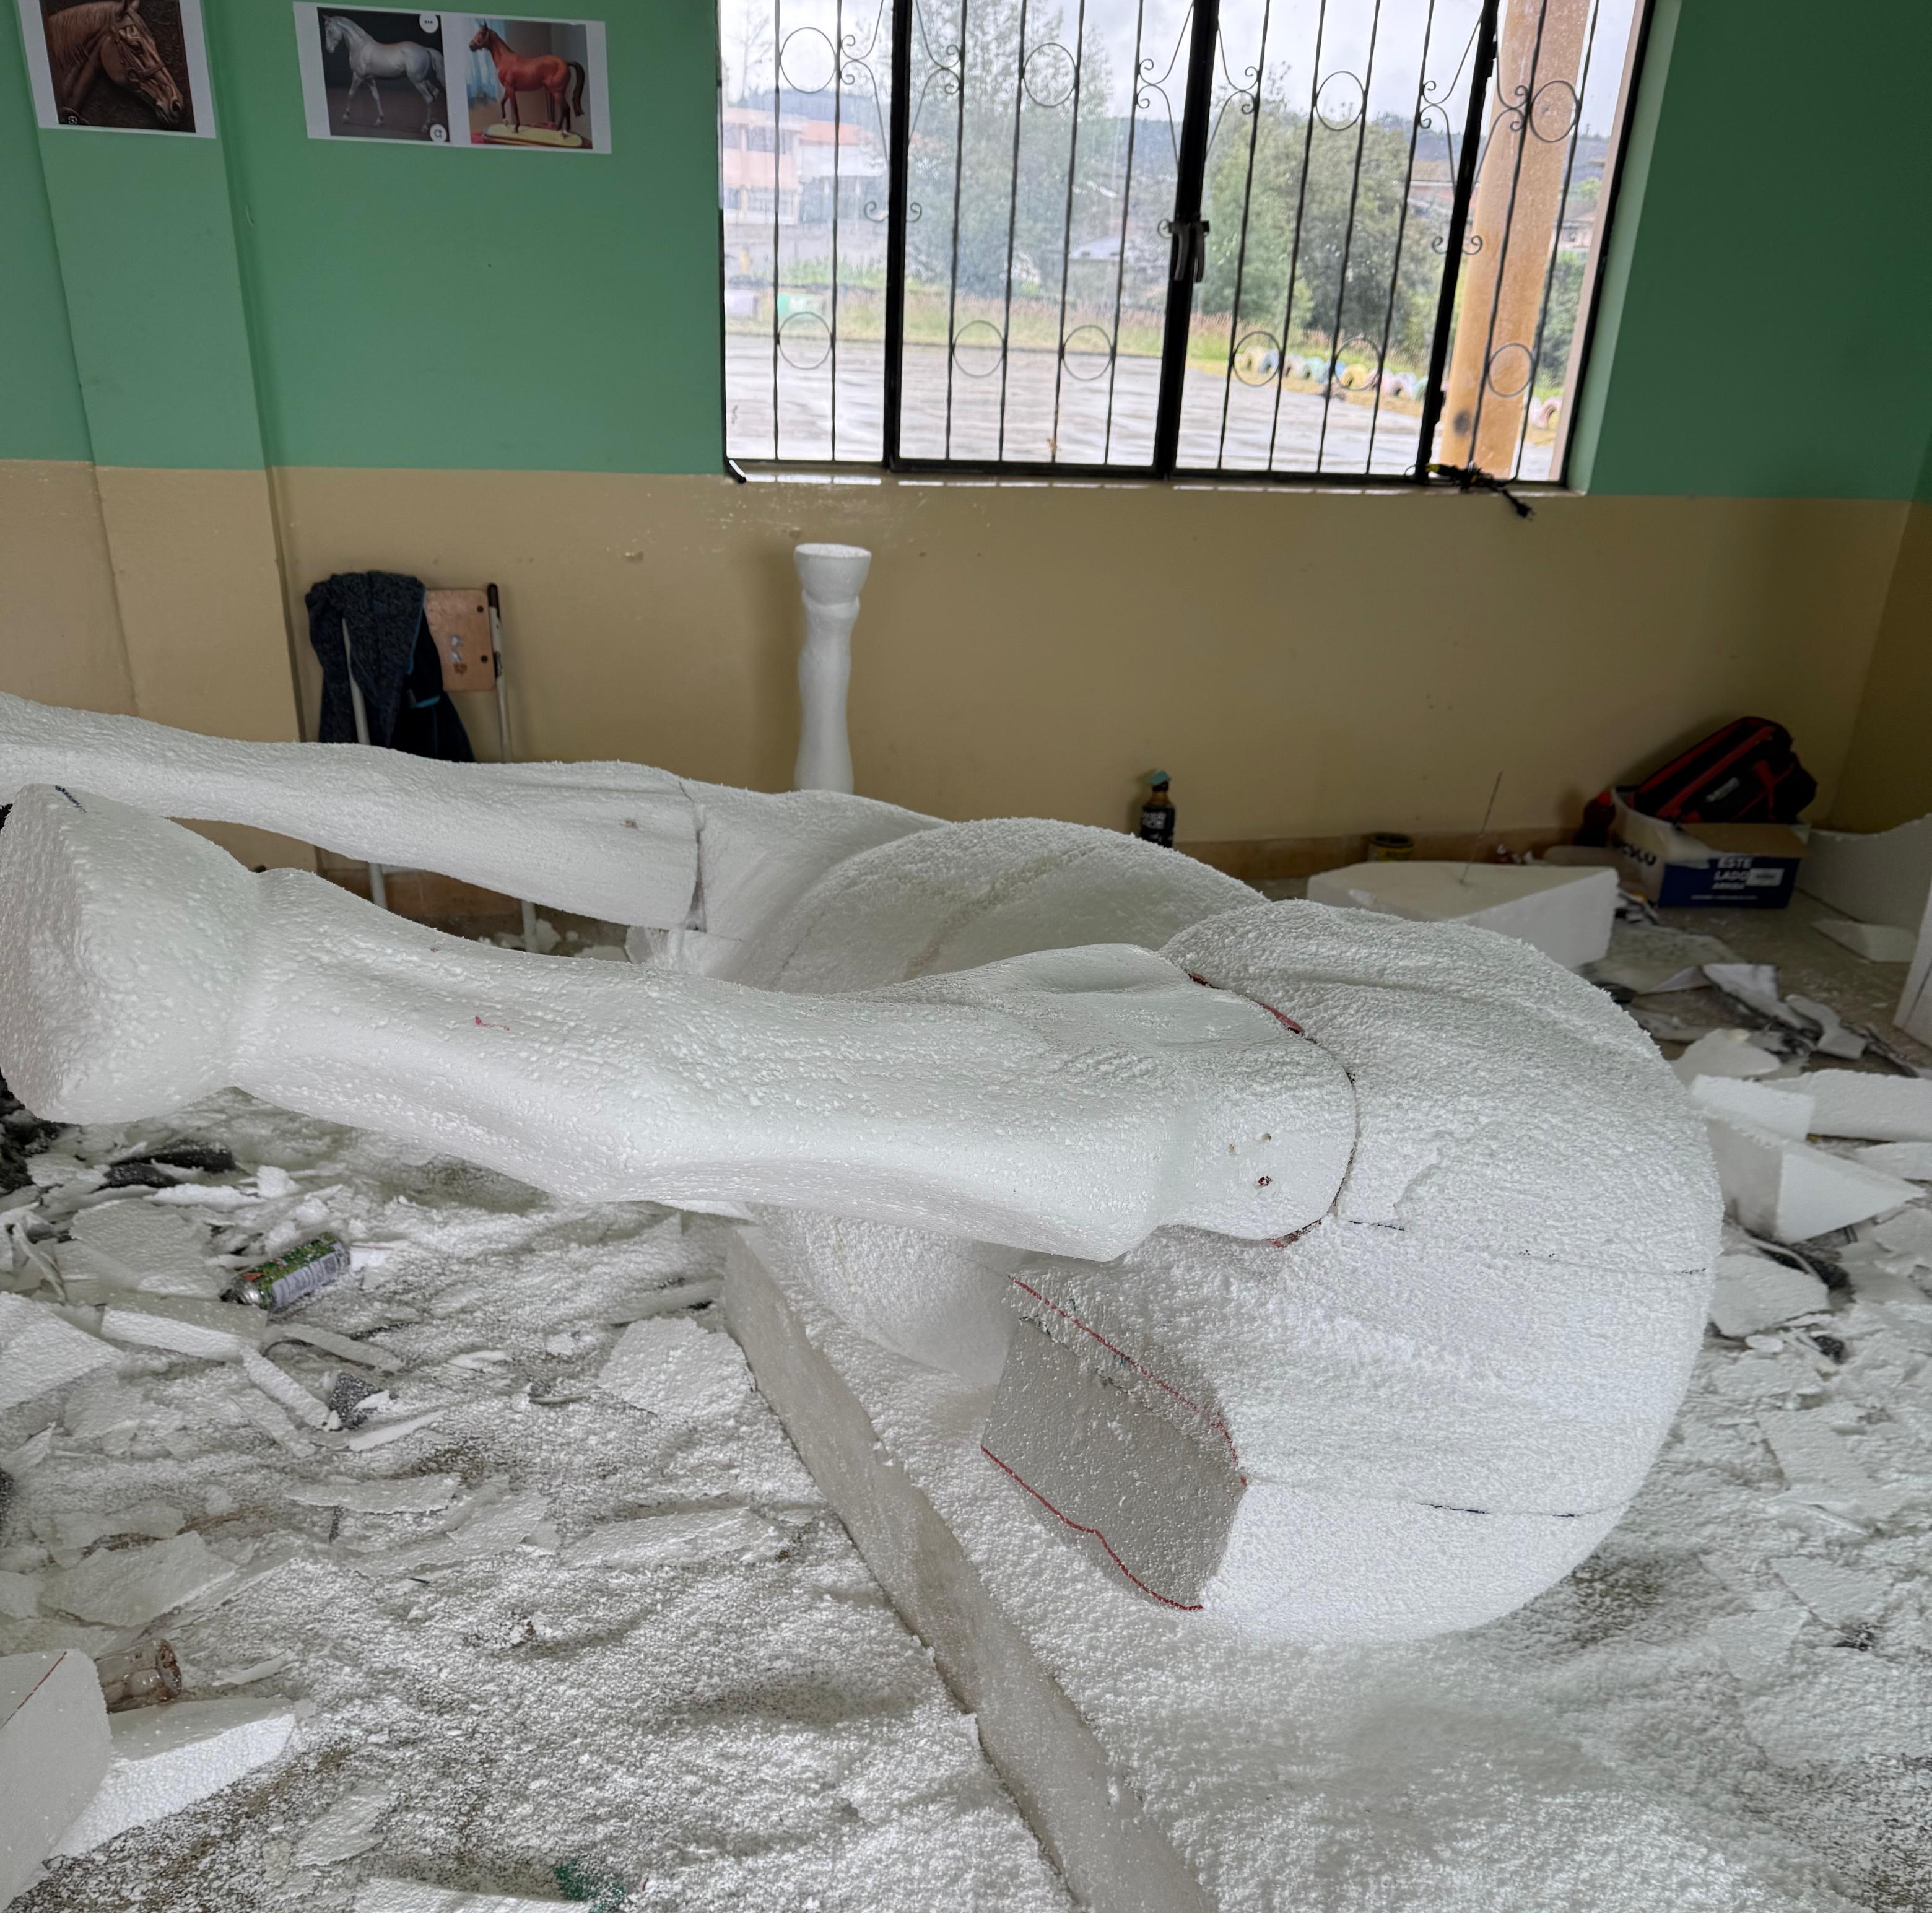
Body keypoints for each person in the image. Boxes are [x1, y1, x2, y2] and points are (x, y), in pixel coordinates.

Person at [0, 692, 1718, 1641]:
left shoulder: (1331, 1189)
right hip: (952, 897)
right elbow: (691, 1089)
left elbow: (694, 1106)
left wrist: (256, 989)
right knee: (693, 980)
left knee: (766, 1095)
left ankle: (236, 962)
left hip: (1152, 1065)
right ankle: (125, 823)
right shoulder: (1280, 1081)